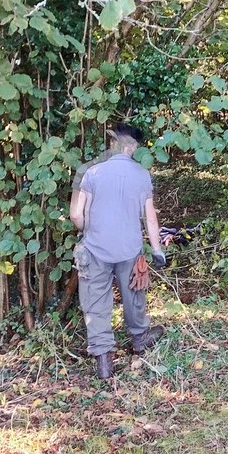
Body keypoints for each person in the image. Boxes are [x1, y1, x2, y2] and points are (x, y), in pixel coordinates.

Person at [69, 124, 166, 380]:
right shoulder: (142, 175)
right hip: (129, 249)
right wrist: (157, 250)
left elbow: (76, 215)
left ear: (114, 144)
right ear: (132, 147)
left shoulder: (91, 173)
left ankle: (104, 362)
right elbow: (150, 218)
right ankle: (140, 338)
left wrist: (88, 230)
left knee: (96, 303)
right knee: (134, 294)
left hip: (95, 248)